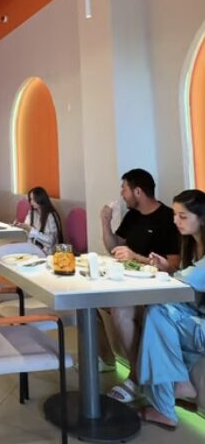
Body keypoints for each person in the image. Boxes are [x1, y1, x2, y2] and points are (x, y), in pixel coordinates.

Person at [100, 168, 180, 402]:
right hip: (127, 282)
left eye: (124, 188)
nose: (121, 194)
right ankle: (106, 359)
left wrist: (136, 257)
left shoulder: (167, 219)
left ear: (138, 191)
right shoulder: (133, 216)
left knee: (120, 311)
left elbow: (173, 265)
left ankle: (136, 378)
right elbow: (114, 247)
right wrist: (105, 223)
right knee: (87, 301)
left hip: (155, 288)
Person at [137, 189, 205, 430]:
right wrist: (167, 269)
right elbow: (186, 284)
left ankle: (167, 404)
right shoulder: (193, 247)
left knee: (158, 312)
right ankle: (177, 387)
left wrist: (168, 273)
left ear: (202, 218)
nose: (176, 221)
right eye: (175, 215)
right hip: (198, 318)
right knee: (158, 311)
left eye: (183, 216)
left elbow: (184, 282)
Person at [15, 186, 62, 255]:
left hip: (48, 253)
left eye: (34, 199)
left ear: (41, 199)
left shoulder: (51, 216)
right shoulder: (32, 213)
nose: (31, 202)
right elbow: (27, 232)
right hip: (33, 249)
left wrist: (31, 230)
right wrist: (20, 227)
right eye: (30, 199)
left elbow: (50, 241)